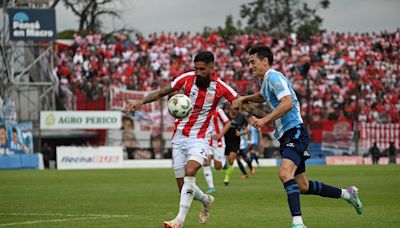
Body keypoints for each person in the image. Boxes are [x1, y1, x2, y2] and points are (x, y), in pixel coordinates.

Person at [124, 51, 265, 228]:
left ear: (212, 68)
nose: (197, 72)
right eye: (195, 68)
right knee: (182, 186)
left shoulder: (221, 87)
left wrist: (271, 117)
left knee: (191, 171)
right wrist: (141, 102)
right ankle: (206, 200)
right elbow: (162, 92)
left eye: (202, 69)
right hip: (179, 136)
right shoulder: (187, 79)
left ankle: (179, 221)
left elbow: (245, 105)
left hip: (200, 138)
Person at [233, 45, 363, 228]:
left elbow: (287, 104)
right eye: (248, 63)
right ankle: (347, 194)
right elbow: (261, 100)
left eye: (252, 62)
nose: (249, 66)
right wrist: (245, 104)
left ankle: (298, 223)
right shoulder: (264, 83)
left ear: (265, 61)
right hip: (286, 136)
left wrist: (262, 118)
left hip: (296, 131)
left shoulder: (274, 77)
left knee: (285, 173)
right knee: (303, 186)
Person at [202, 106, 231, 194]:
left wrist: (220, 135)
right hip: (207, 141)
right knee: (206, 162)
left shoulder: (218, 110)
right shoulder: (203, 110)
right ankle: (211, 187)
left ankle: (223, 163)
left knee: (217, 167)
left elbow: (228, 123)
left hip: (218, 142)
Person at [223, 106, 254, 185]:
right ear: (230, 107)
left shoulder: (241, 117)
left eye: (237, 109)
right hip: (224, 140)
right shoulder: (225, 115)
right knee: (226, 161)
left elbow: (246, 129)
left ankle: (227, 178)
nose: (235, 111)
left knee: (231, 159)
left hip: (235, 141)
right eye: (234, 108)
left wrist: (241, 133)